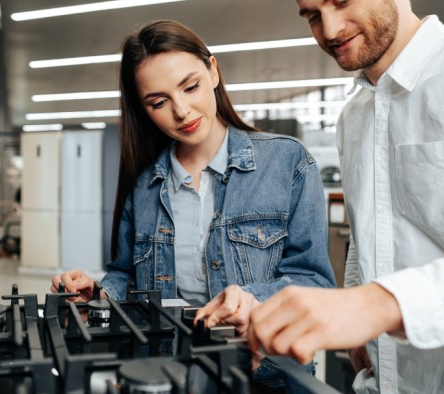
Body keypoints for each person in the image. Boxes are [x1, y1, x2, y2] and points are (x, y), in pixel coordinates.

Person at [247, 0, 444, 392]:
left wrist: (376, 306)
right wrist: (354, 302)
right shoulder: (353, 115)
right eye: (312, 15)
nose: (331, 29)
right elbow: (371, 227)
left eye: (341, 1)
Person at [51, 19, 336, 390]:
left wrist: (250, 299)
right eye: (159, 102)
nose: (182, 111)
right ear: (143, 108)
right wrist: (99, 293)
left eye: (190, 86)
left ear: (213, 71)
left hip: (268, 377)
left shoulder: (288, 163)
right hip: (167, 374)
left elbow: (315, 282)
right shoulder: (144, 185)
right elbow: (126, 275)